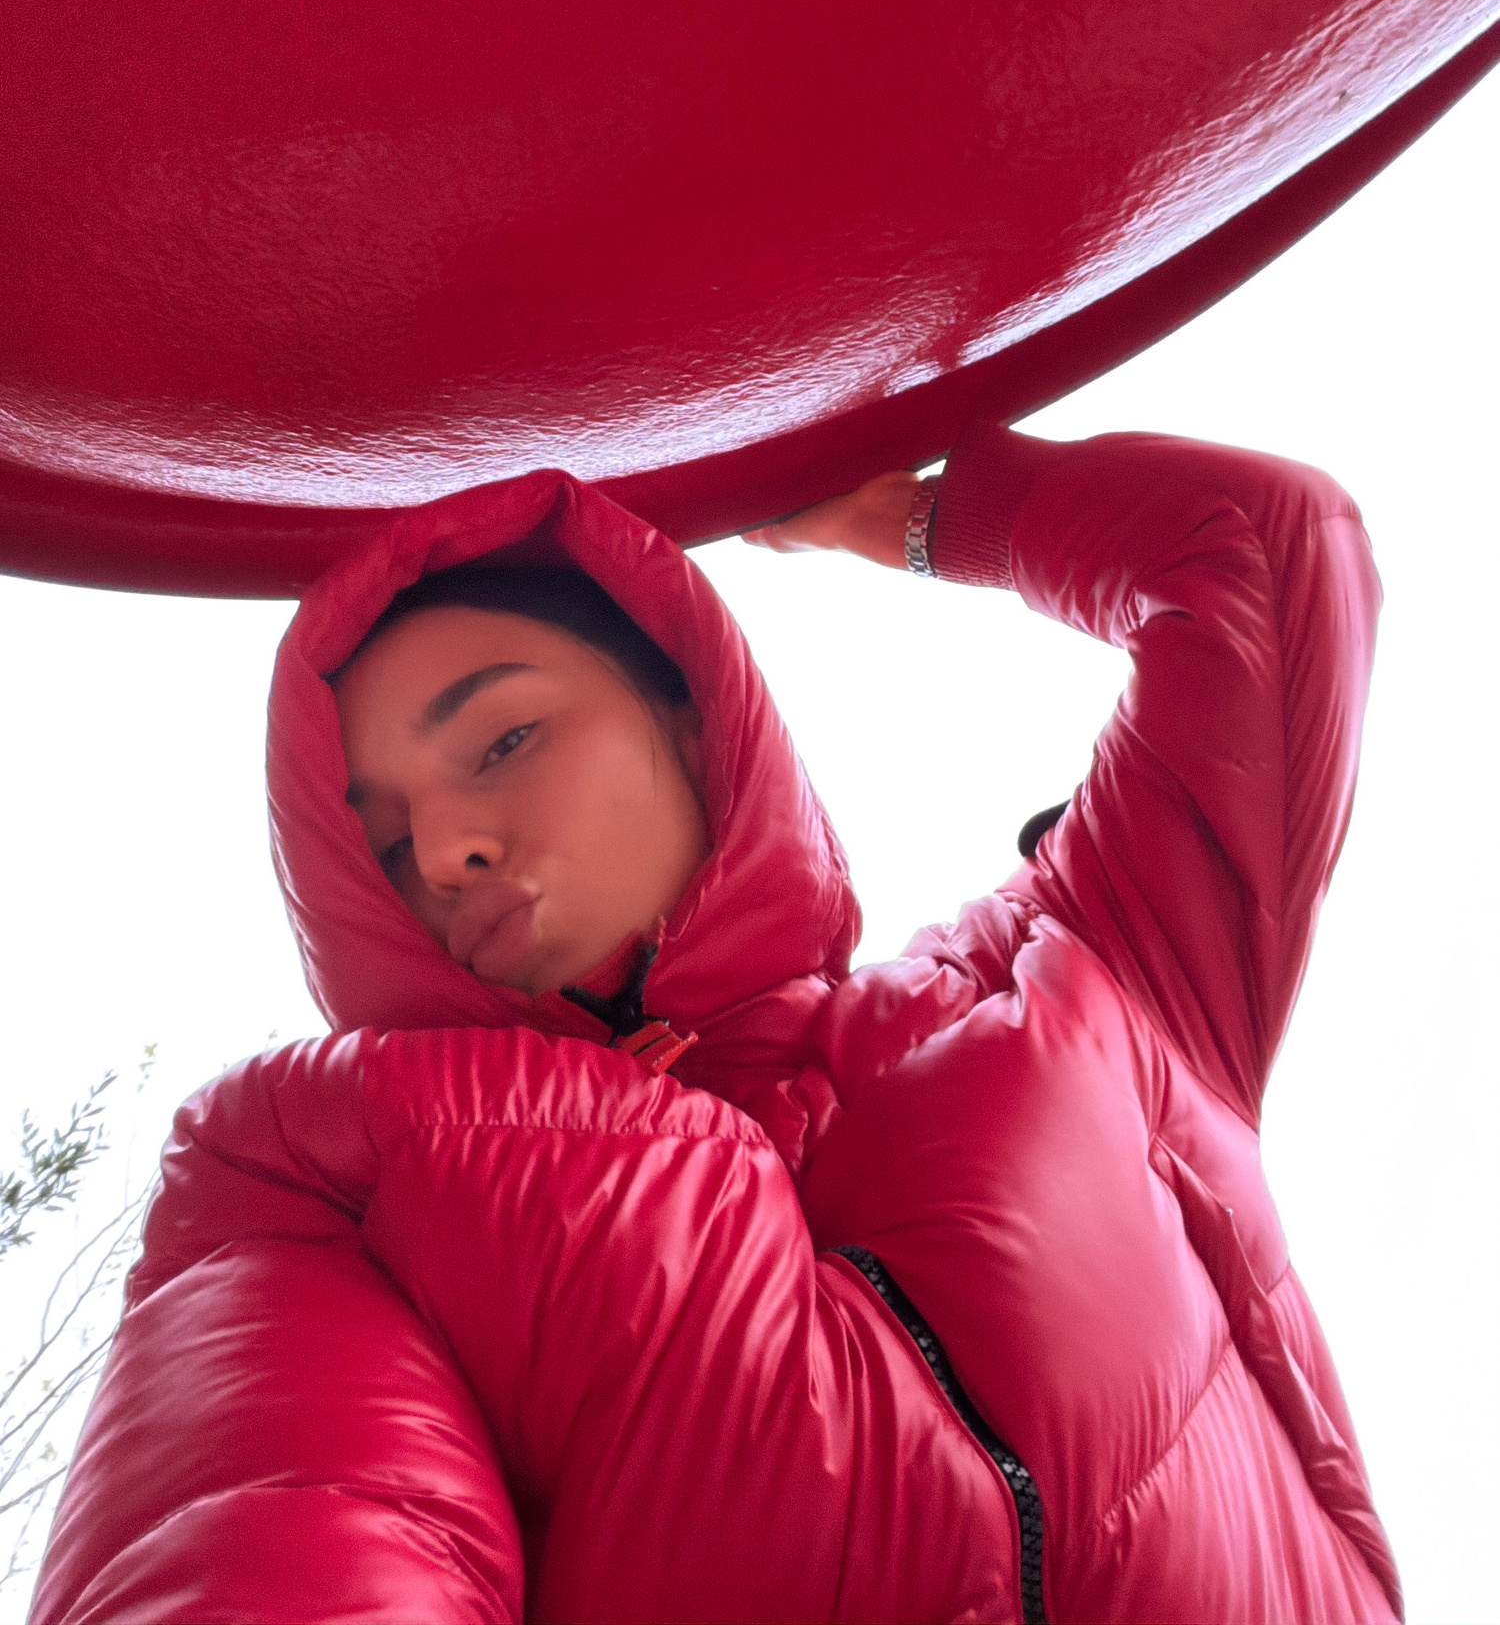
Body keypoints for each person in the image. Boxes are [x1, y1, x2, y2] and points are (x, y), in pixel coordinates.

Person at [32, 421, 1400, 1625]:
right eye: (386, 845)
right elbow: (272, 1543)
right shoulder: (342, 1177)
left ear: (695, 723)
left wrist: (909, 513)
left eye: (502, 741)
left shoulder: (1075, 970)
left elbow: (1260, 555)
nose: (445, 850)